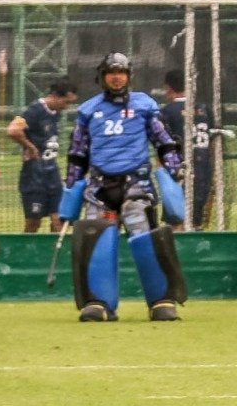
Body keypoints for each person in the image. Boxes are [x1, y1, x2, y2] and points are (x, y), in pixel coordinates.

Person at [61, 52, 188, 323]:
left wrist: (174, 167)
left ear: (129, 76)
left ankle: (161, 301)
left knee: (146, 240)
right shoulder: (88, 110)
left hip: (136, 186)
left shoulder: (145, 105)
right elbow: (78, 152)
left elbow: (163, 140)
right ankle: (99, 303)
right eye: (111, 72)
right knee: (98, 242)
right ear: (102, 77)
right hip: (99, 189)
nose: (117, 77)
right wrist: (71, 185)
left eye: (122, 72)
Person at [8, 79, 77, 233]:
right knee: (33, 222)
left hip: (52, 172)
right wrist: (30, 147)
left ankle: (54, 255)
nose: (67, 107)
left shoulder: (55, 114)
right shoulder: (35, 110)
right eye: (66, 102)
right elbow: (13, 130)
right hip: (34, 174)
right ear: (55, 96)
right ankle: (27, 254)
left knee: (58, 220)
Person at [159, 71, 216, 229]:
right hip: (203, 168)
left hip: (178, 170)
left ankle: (176, 249)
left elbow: (163, 146)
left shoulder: (167, 112)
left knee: (175, 220)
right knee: (196, 219)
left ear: (168, 88)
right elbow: (212, 143)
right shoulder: (204, 109)